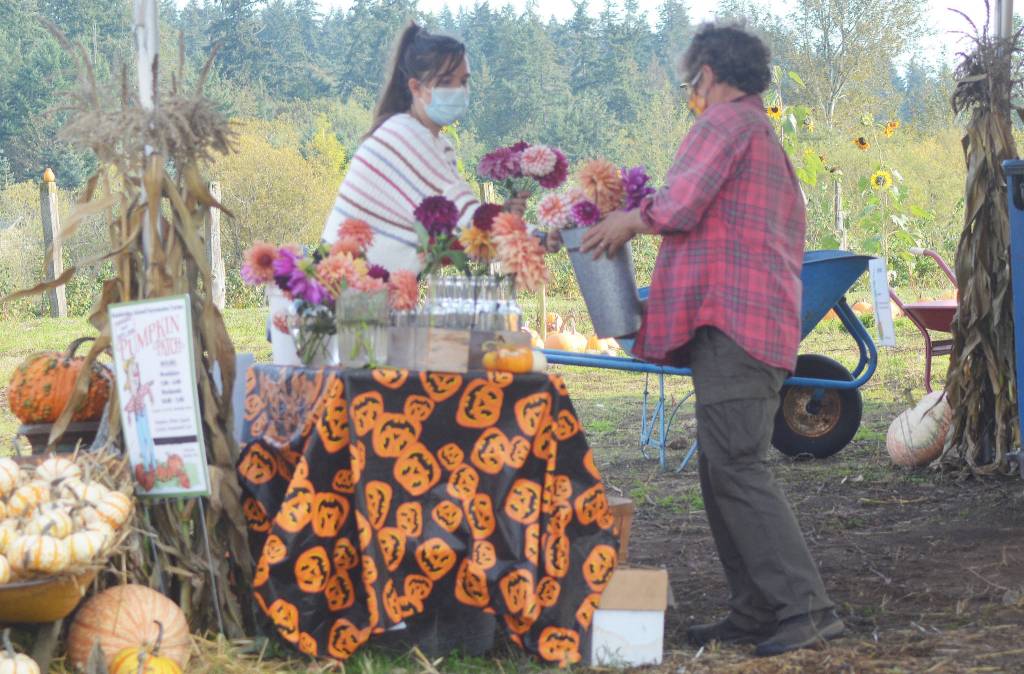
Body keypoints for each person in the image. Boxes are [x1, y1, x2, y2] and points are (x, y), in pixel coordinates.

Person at [581, 23, 843, 657]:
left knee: (738, 467)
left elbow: (678, 207)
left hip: (736, 325)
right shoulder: (756, 130)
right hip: (748, 324)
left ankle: (805, 608)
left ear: (710, 74)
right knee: (721, 466)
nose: (689, 92)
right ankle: (755, 607)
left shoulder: (724, 125)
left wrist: (624, 221)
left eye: (691, 80)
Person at [321, 23, 526, 272]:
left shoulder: (441, 146)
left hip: (375, 290)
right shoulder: (403, 135)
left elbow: (451, 234)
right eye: (445, 81)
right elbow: (464, 214)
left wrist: (506, 221)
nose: (458, 90)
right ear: (416, 87)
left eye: (463, 81)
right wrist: (535, 235)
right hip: (336, 290)